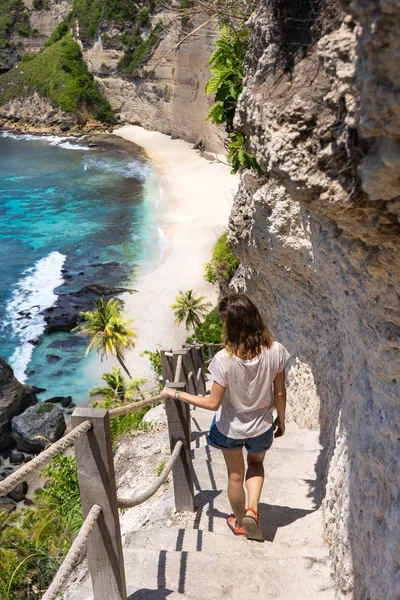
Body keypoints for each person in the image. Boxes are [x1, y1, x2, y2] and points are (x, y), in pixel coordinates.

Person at [163, 292, 290, 542]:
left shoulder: (224, 359)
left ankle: (240, 521)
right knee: (256, 465)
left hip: (230, 429)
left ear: (230, 325)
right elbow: (280, 392)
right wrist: (281, 420)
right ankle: (252, 509)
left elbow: (212, 403)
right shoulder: (276, 351)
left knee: (234, 475)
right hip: (262, 425)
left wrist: (178, 395)